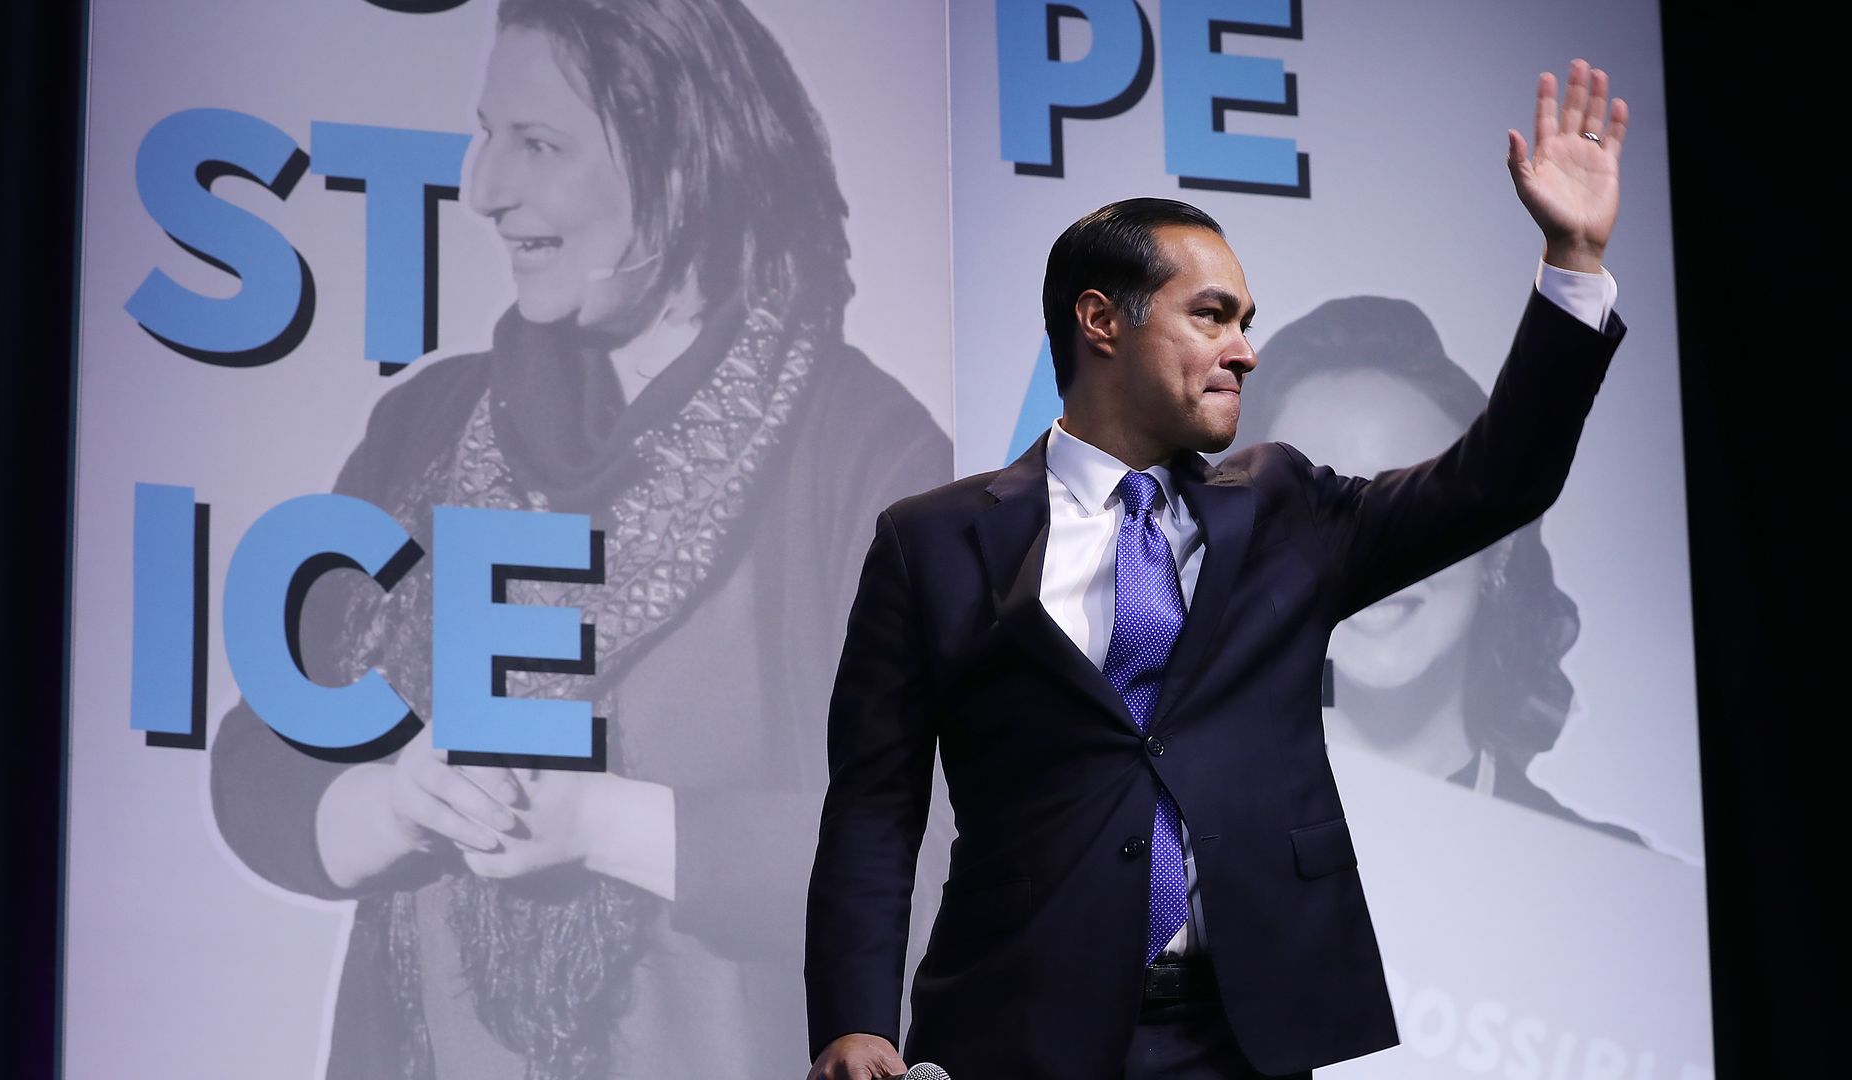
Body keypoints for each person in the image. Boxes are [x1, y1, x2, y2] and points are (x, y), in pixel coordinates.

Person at [805, 60, 1629, 1079]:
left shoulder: (1285, 508)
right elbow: (875, 804)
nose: (1244, 351)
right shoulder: (928, 540)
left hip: (1243, 1037)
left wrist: (1572, 261)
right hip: (1015, 1030)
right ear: (1102, 321)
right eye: (1212, 316)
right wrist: (854, 1020)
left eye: (1247, 322)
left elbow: (1495, 482)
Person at [208, 1, 948, 1078]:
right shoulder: (426, 427)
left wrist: (605, 825)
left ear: (683, 161)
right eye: (487, 132)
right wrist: (389, 803)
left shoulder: (861, 453)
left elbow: (931, 851)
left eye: (539, 145)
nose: (483, 187)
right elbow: (258, 762)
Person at [1242, 296, 1644, 844]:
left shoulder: (1607, 871)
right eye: (1322, 509)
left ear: (1495, 547)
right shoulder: (1169, 853)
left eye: (1414, 500)